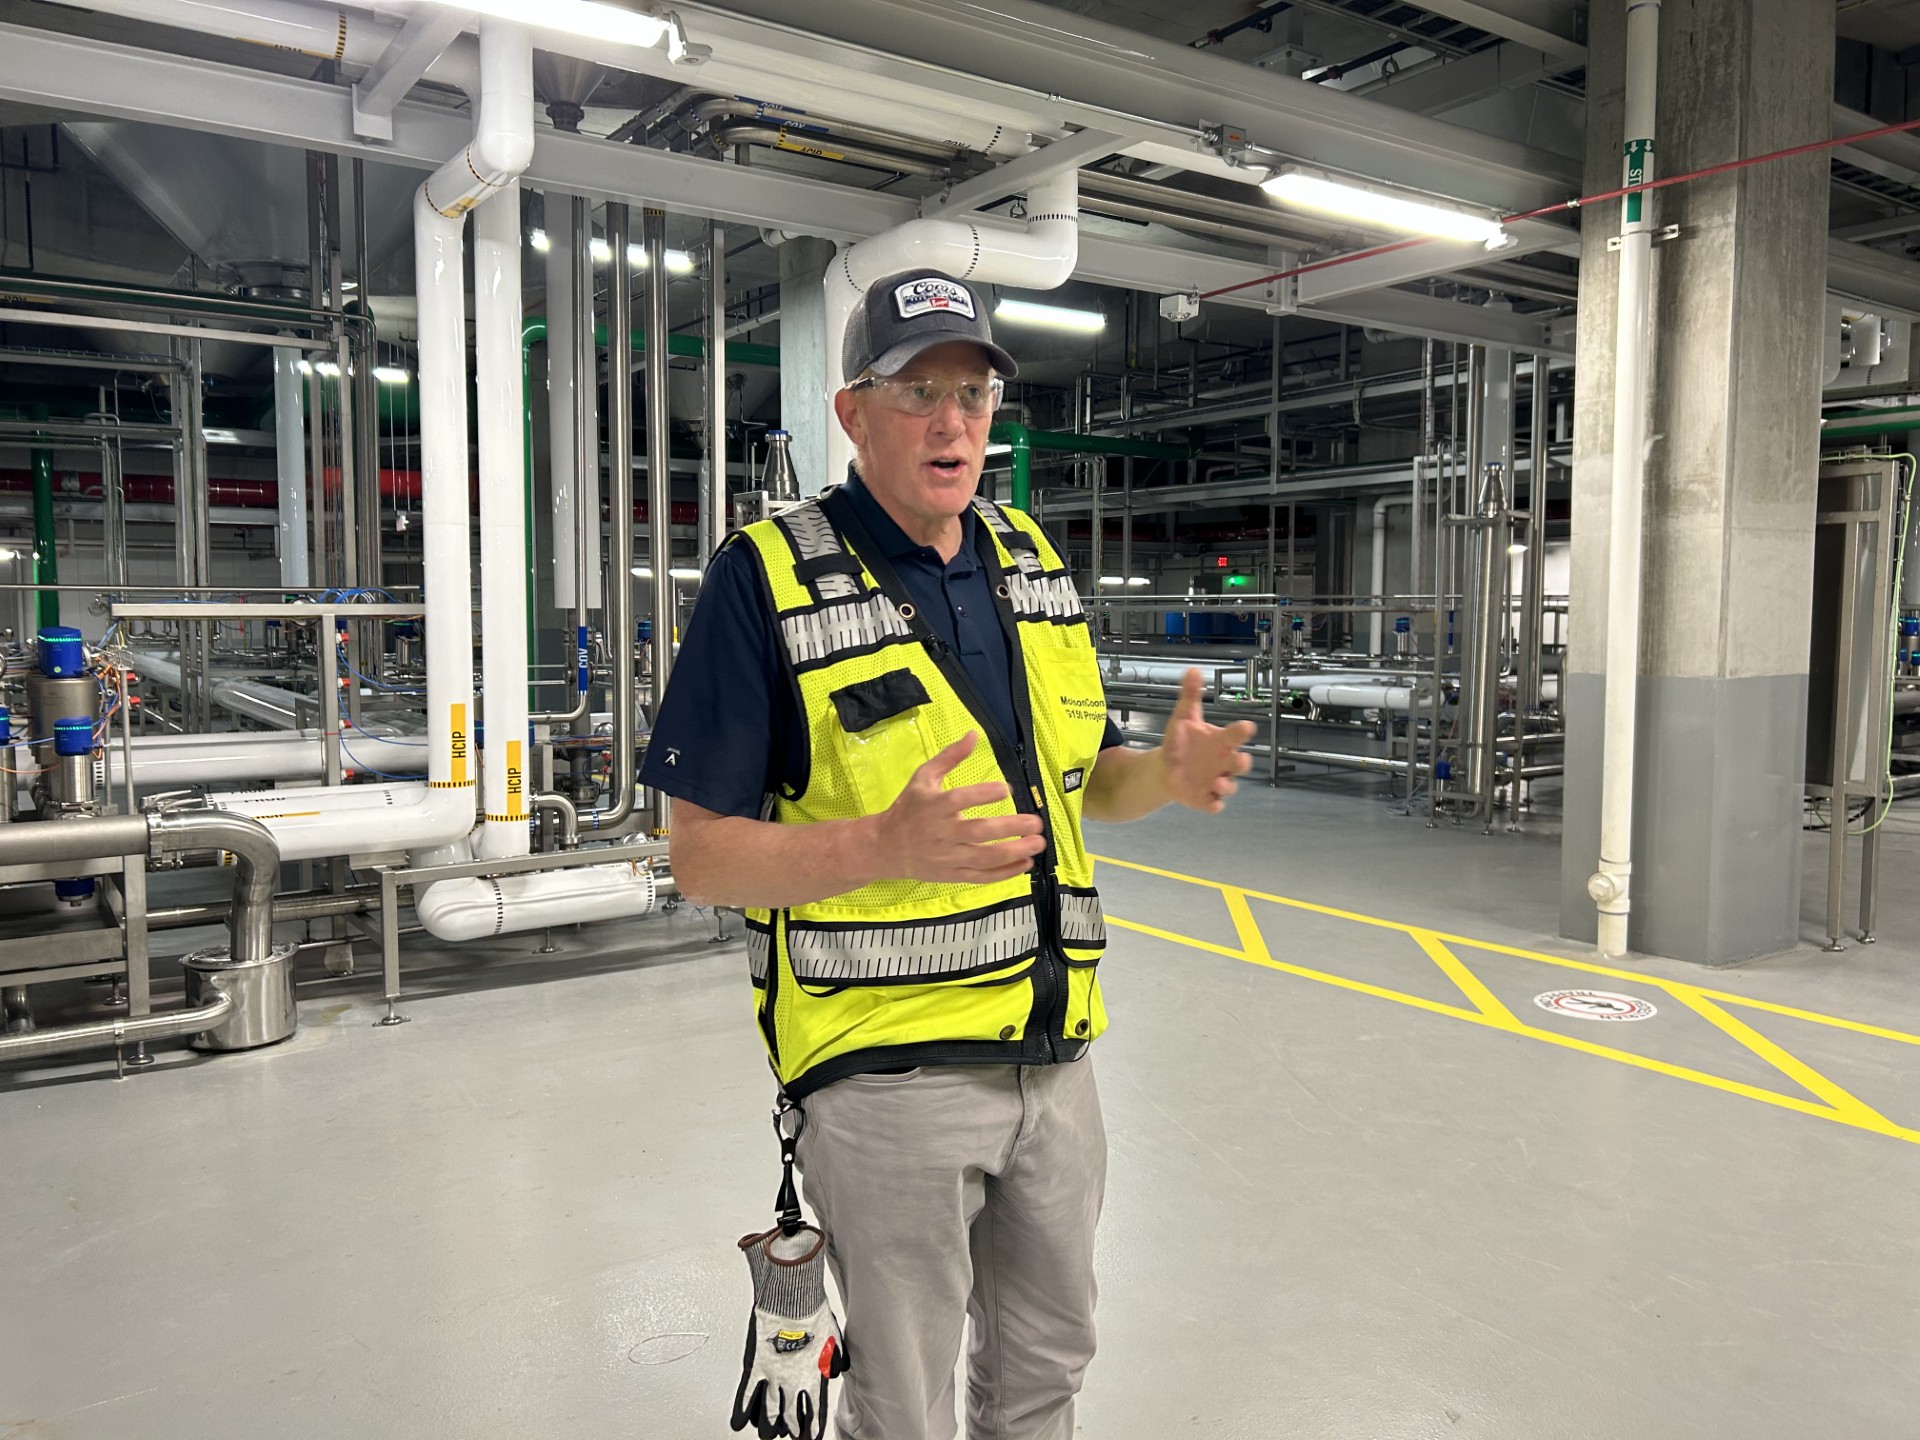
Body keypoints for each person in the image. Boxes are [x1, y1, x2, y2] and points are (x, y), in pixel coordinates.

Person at [641, 267, 1254, 1440]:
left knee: (1047, 1369)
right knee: (906, 1402)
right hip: (887, 1081)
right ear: (855, 412)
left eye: (972, 392)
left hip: (1056, 1061)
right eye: (919, 390)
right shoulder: (762, 580)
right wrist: (881, 842)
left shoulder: (1028, 562)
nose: (953, 421)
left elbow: (1084, 785)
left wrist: (1162, 778)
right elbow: (702, 860)